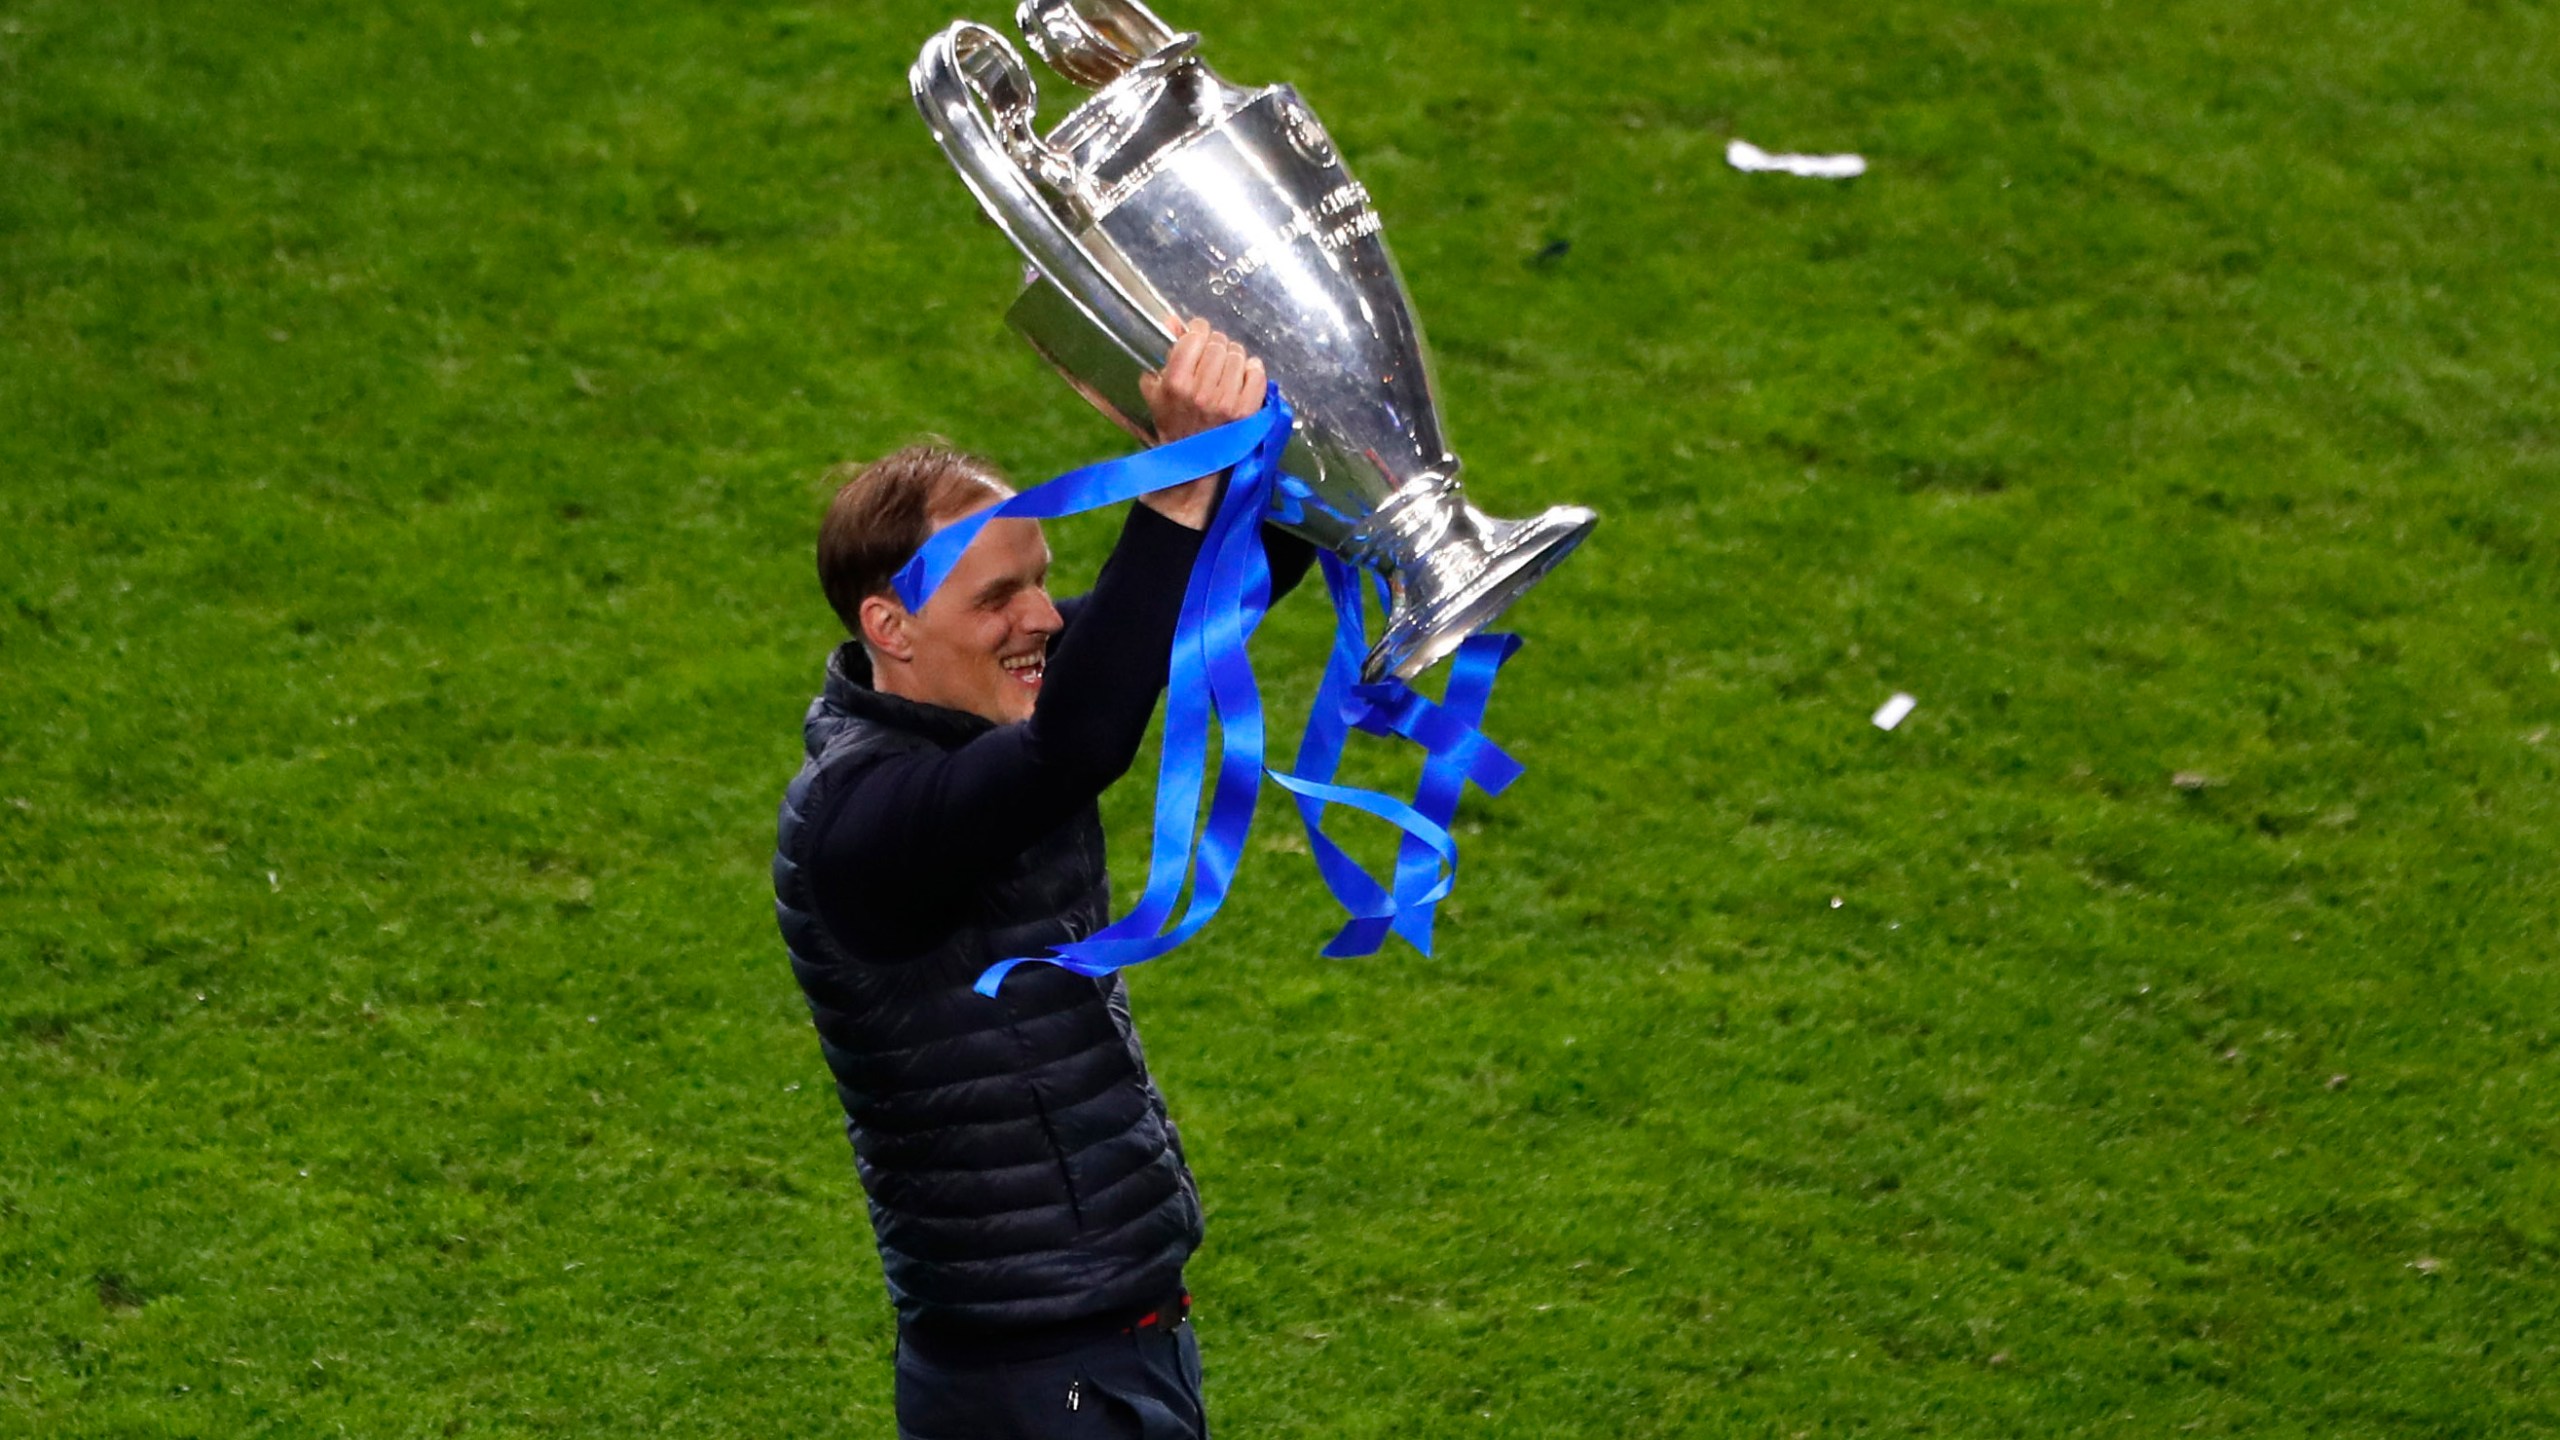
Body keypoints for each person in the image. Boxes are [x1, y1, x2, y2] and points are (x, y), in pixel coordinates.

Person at [773, 320, 1310, 1439]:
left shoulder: (997, 707)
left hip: (1106, 1346)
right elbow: (1079, 742)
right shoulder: (862, 820)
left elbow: (1181, 614)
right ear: (891, 626)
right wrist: (1166, 499)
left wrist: (1281, 440)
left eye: (1041, 582)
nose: (1043, 619)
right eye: (995, 600)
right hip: (1033, 1384)